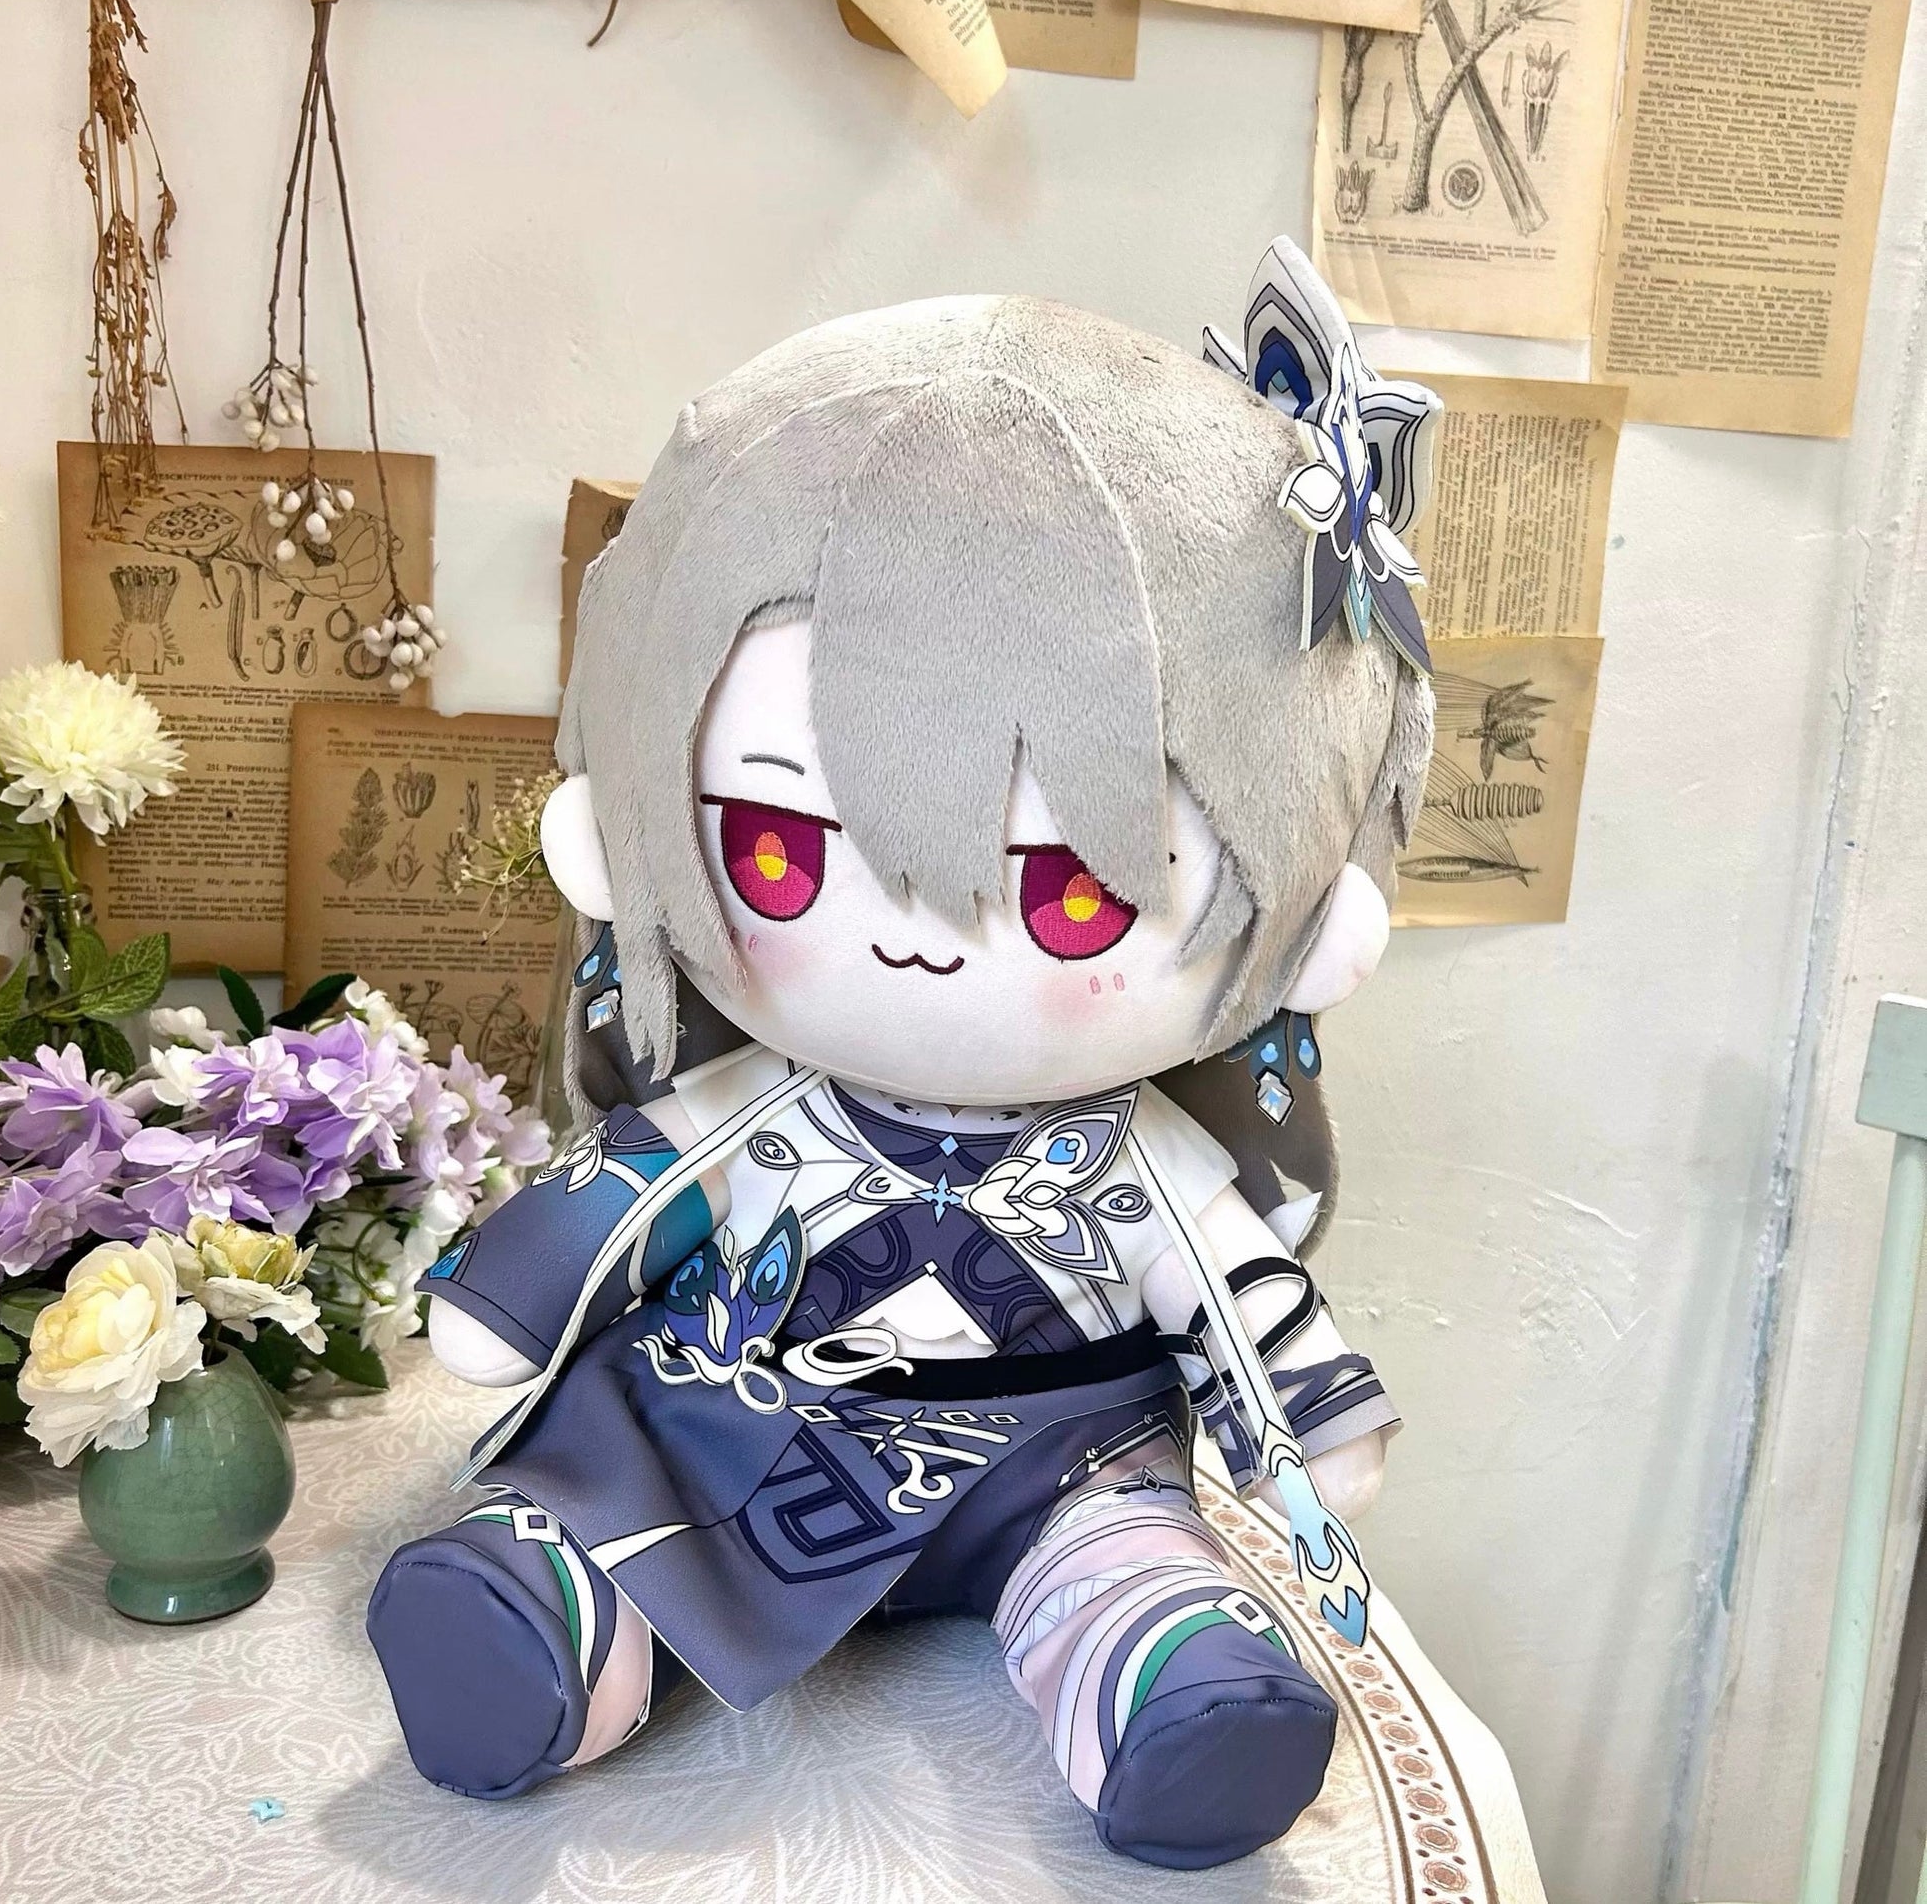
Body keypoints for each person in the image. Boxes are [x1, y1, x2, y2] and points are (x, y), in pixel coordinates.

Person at [368, 240, 1439, 1869]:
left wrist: (1305, 1422)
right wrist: (512, 1295)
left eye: (1072, 891)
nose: (921, 943)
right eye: (783, 850)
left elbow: (1240, 1299)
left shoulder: (1148, 1162)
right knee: (599, 1500)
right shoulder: (745, 1107)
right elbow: (620, 1200)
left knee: (1126, 1562)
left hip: (1059, 1463)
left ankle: (1167, 1690)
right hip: (730, 1424)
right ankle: (537, 1627)